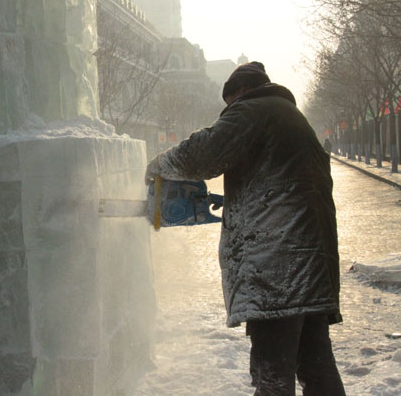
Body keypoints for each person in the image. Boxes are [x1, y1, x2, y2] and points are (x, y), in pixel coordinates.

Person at [146, 62, 345, 395]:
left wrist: (156, 166)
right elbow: (281, 185)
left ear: (239, 93)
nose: (228, 111)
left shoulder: (252, 111)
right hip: (312, 268)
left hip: (277, 269)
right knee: (316, 368)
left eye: (229, 105)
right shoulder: (288, 116)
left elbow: (201, 154)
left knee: (272, 378)